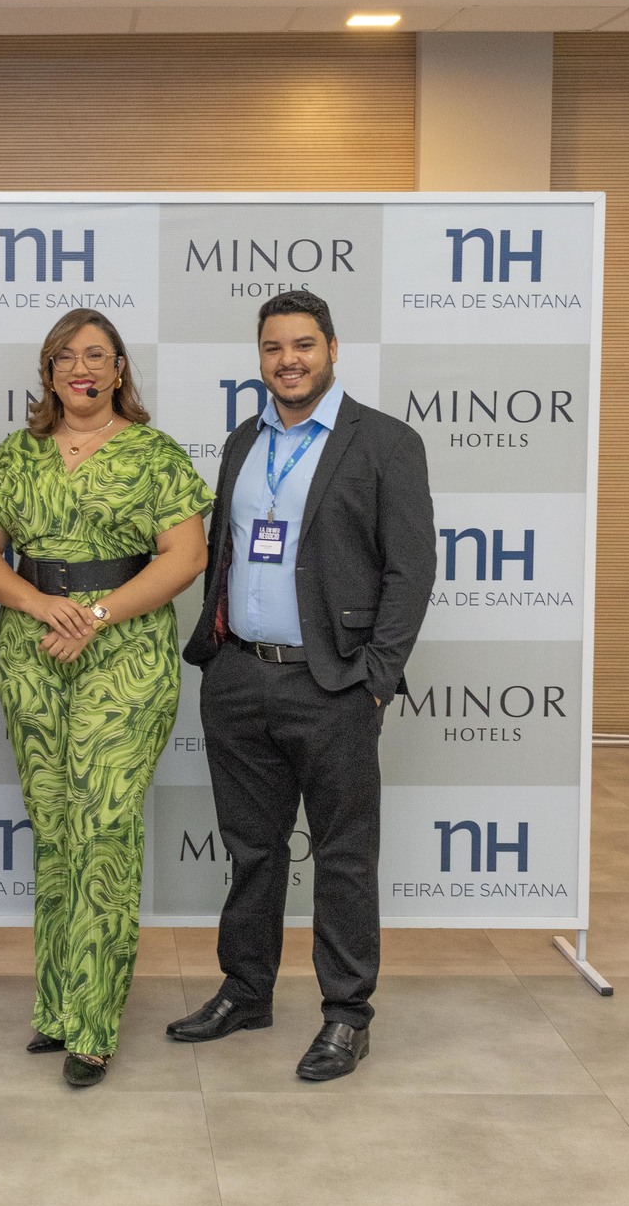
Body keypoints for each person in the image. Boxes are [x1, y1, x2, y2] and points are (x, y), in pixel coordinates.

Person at [168, 287, 437, 1079]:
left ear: (333, 350)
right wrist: (218, 656)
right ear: (261, 357)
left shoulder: (386, 442)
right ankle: (246, 990)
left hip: (333, 683)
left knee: (343, 856)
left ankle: (347, 1014)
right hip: (238, 676)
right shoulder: (243, 440)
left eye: (303, 345)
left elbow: (411, 571)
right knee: (251, 850)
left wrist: (375, 679)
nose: (288, 360)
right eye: (274, 347)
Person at [0, 311, 211, 1087]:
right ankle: (57, 1008)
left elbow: (186, 555)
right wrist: (40, 605)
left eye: (97, 354)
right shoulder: (18, 454)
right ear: (48, 371)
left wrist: (96, 616)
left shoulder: (155, 454)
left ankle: (94, 1024)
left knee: (103, 827)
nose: (82, 367)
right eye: (66, 355)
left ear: (120, 369)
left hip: (126, 655)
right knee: (55, 828)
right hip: (33, 652)